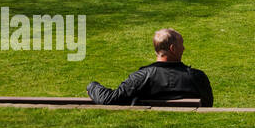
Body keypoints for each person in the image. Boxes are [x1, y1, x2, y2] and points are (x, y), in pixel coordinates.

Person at [86, 28, 214, 107]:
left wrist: (92, 86)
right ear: (173, 49)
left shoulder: (142, 77)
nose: (184, 48)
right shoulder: (197, 77)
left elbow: (109, 99)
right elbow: (208, 104)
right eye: (182, 44)